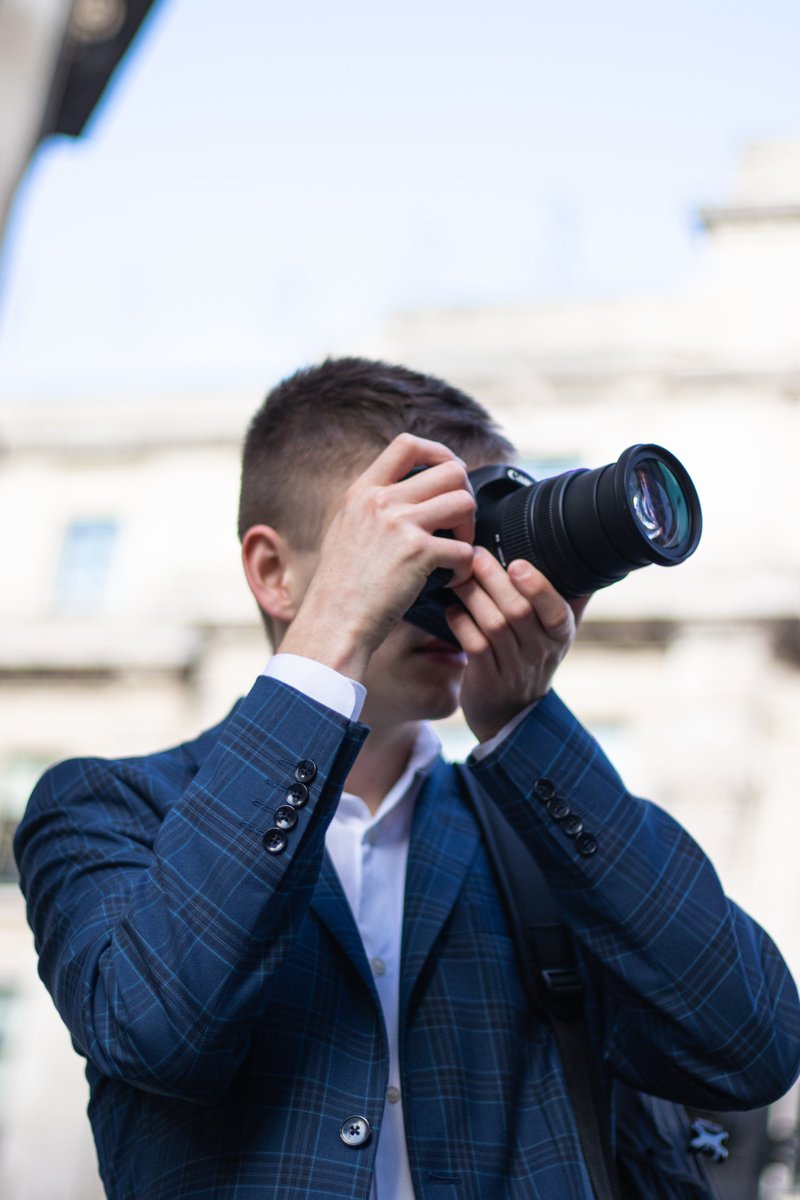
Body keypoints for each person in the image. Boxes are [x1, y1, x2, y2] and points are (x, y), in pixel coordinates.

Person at [15, 357, 800, 1200]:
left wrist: (524, 727)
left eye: (476, 539)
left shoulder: (536, 834)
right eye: (414, 539)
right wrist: (331, 642)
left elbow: (749, 1045)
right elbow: (159, 1028)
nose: (461, 577)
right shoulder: (107, 810)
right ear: (275, 573)